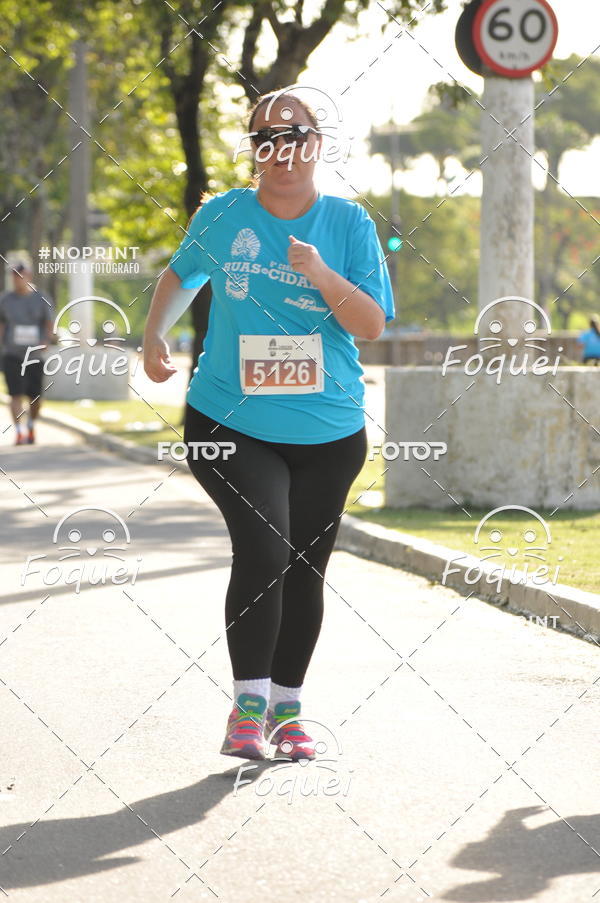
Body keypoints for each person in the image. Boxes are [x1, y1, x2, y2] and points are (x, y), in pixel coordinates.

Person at [143, 91, 395, 761]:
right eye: (265, 138)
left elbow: (370, 325)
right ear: (251, 147)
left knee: (306, 568)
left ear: (318, 142)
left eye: (296, 134)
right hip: (230, 419)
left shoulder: (348, 223)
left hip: (329, 432)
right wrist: (152, 337)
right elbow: (181, 274)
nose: (280, 149)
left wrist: (319, 271)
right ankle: (247, 707)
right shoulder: (223, 215)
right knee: (265, 549)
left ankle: (289, 713)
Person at [0, 263, 54, 445]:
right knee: (15, 394)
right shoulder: (5, 300)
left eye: (20, 275)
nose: (17, 279)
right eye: (14, 276)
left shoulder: (41, 298)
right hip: (12, 354)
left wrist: (46, 340)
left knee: (35, 396)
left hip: (34, 355)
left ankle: (30, 425)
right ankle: (18, 431)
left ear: (29, 276)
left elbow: (48, 323)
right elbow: (2, 324)